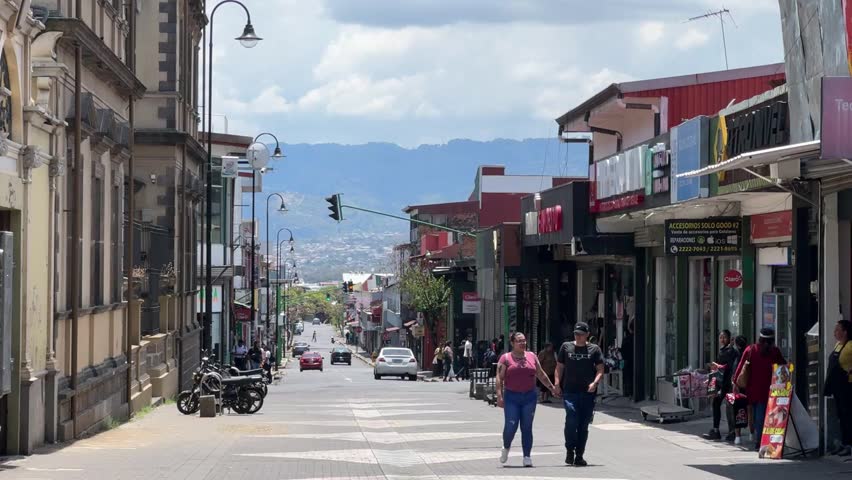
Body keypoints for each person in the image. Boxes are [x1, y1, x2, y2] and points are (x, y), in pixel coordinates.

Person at [496, 332, 559, 467]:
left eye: (524, 341)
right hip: (512, 397)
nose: (522, 343)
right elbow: (499, 378)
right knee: (511, 427)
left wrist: (552, 387)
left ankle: (527, 456)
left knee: (527, 427)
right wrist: (499, 396)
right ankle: (506, 446)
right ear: (512, 343)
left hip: (529, 397)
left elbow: (541, 374)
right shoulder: (505, 358)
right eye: (519, 341)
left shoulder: (532, 356)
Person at [555, 322, 604, 467]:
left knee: (583, 425)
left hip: (588, 393)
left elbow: (600, 369)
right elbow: (559, 367)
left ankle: (579, 455)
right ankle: (570, 450)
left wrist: (595, 383)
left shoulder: (594, 349)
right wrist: (557, 384)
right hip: (570, 391)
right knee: (571, 419)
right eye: (576, 333)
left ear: (587, 334)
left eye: (581, 334)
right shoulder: (566, 347)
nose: (578, 336)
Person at [732, 327, 785, 451]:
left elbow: (740, 367)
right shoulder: (775, 352)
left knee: (755, 414)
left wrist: (735, 382)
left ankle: (758, 438)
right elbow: (783, 366)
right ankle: (760, 439)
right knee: (762, 414)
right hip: (770, 389)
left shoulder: (750, 350)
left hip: (752, 389)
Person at [704, 330, 738, 441]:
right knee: (718, 404)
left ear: (729, 339)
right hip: (722, 383)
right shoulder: (724, 351)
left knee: (728, 407)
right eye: (721, 337)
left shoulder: (729, 351)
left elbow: (726, 367)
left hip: (728, 383)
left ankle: (729, 431)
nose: (722, 339)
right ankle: (718, 430)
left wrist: (716, 365)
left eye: (724, 337)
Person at [826, 320, 852, 456]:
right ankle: (843, 443)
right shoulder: (837, 345)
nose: (835, 332)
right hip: (837, 387)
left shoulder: (850, 345)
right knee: (841, 416)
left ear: (845, 332)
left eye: (838, 329)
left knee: (848, 416)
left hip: (848, 386)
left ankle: (849, 444)